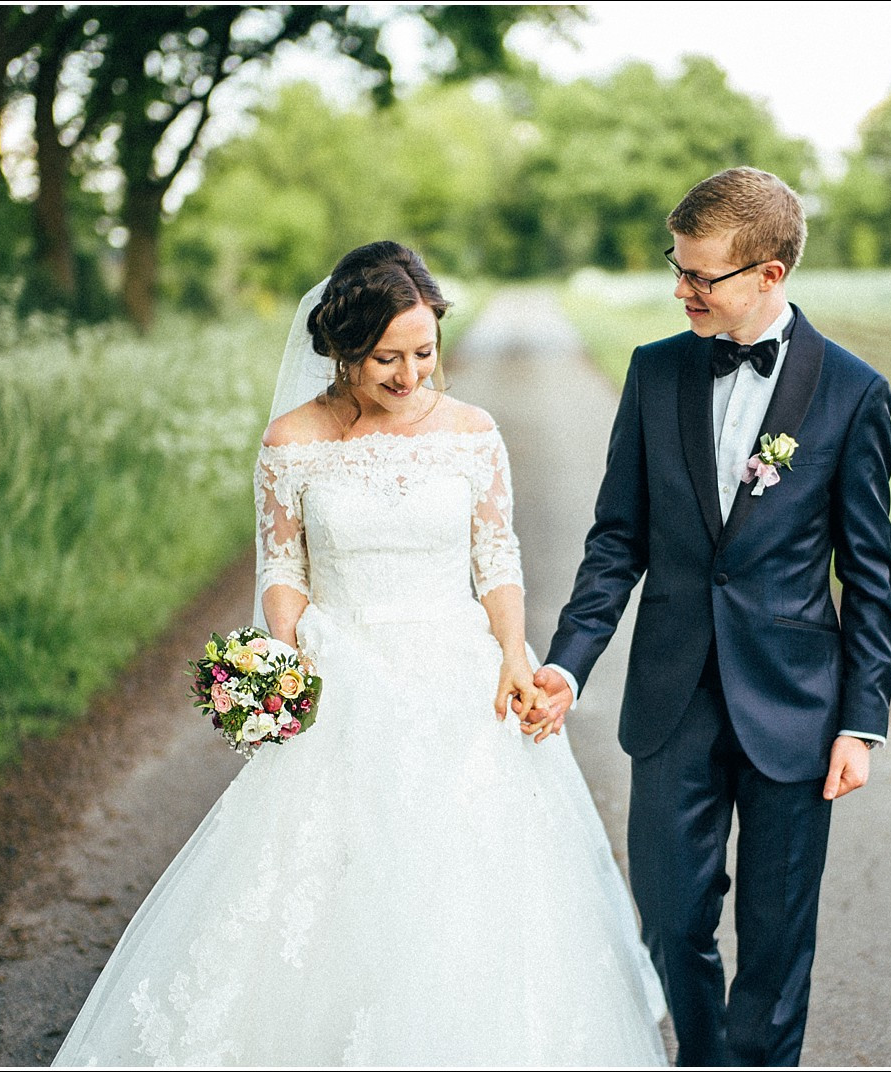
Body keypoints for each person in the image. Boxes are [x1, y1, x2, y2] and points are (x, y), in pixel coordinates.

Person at [52, 242, 668, 1066]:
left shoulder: (472, 434)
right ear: (342, 349)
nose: (411, 374)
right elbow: (284, 565)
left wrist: (515, 655)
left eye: (424, 352)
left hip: (460, 686)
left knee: (464, 896)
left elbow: (497, 560)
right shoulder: (292, 441)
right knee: (331, 889)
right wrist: (284, 656)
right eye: (387, 357)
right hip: (344, 679)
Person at [527, 168, 891, 1066]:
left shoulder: (852, 391)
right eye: (678, 269)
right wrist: (568, 664)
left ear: (770, 273)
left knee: (775, 945)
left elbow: (871, 575)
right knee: (669, 916)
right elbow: (617, 540)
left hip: (797, 710)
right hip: (673, 699)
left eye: (703, 276)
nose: (682, 289)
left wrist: (862, 719)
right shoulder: (655, 372)